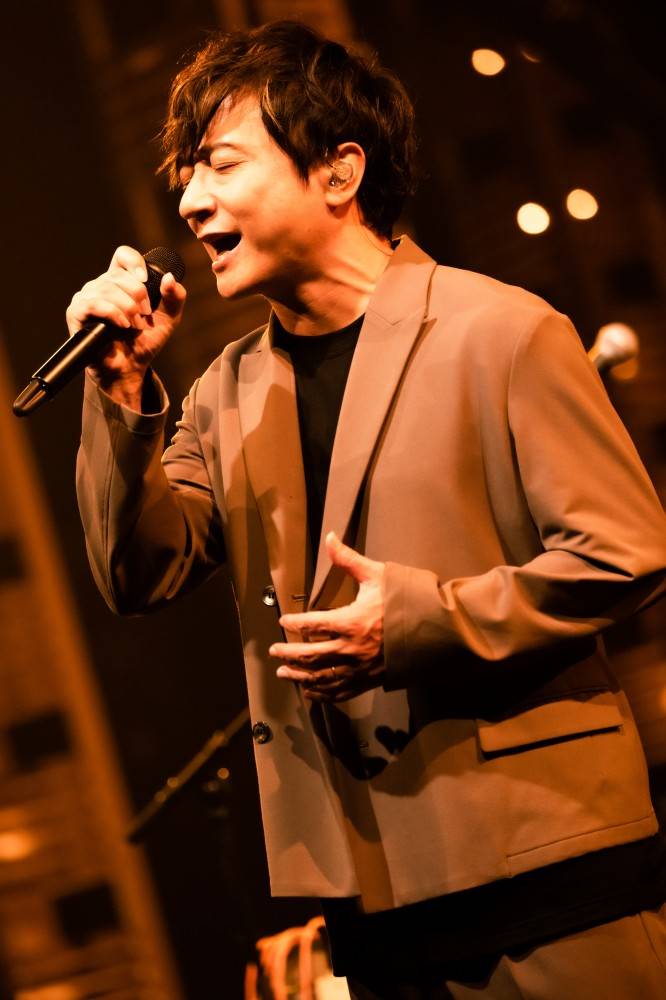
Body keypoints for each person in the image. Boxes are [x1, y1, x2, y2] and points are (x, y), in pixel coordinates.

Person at [72, 20, 666, 999]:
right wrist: (120, 389)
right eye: (185, 173)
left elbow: (625, 551)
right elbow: (137, 571)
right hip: (373, 905)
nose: (189, 199)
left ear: (339, 172)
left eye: (220, 162)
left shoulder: (501, 330)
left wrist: (425, 620)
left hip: (550, 875)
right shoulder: (223, 393)